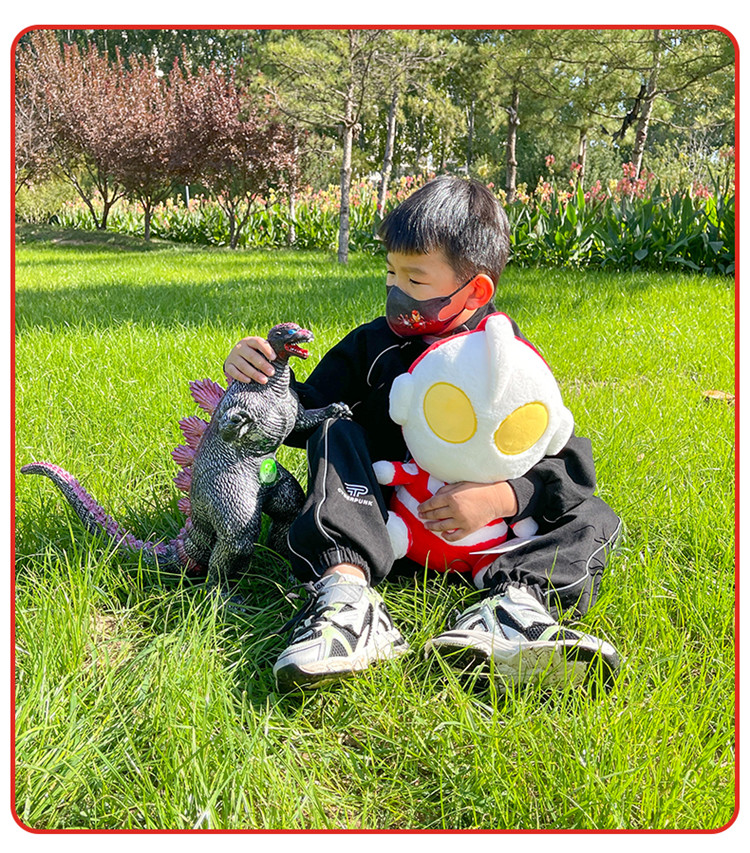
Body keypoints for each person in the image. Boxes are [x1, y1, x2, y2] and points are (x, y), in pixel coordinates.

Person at [224, 176, 622, 690]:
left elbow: (558, 452)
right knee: (335, 429)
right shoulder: (373, 345)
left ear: (475, 290)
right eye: (391, 273)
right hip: (386, 525)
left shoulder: (508, 359)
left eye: (415, 279)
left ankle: (516, 610)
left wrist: (503, 496)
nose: (396, 291)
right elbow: (303, 414)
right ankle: (346, 598)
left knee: (594, 515)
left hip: (492, 538)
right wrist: (264, 374)